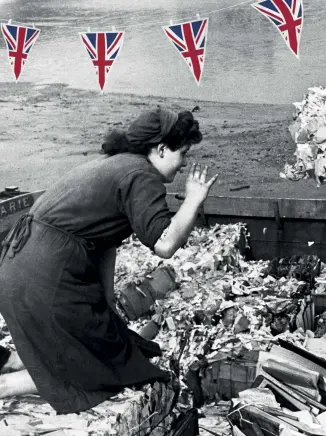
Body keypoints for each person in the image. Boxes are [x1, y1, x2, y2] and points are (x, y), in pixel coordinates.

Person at [0, 107, 218, 414]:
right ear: (160, 149)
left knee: (121, 343)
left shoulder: (116, 164)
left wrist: (106, 306)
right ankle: (8, 386)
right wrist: (194, 200)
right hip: (45, 275)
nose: (183, 164)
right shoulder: (141, 174)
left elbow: (105, 246)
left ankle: (19, 361)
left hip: (16, 267)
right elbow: (166, 244)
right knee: (104, 368)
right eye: (182, 154)